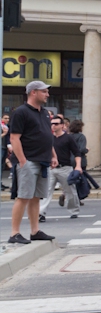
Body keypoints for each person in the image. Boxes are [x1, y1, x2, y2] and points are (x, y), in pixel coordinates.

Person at [7, 81, 57, 244]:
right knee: (23, 196)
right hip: (28, 160)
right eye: (44, 91)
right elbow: (14, 138)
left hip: (42, 160)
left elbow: (47, 135)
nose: (47, 95)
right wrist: (22, 160)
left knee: (36, 197)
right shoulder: (21, 112)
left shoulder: (44, 113)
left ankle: (35, 231)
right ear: (33, 92)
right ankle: (14, 233)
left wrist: (53, 155)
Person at [42, 116, 82, 219]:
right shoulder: (48, 137)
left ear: (62, 125)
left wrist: (78, 166)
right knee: (46, 191)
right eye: (52, 124)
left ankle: (74, 211)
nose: (53, 126)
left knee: (70, 191)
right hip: (50, 168)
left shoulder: (68, 138)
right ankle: (40, 213)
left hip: (65, 168)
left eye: (56, 124)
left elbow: (77, 153)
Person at [70, 120, 99, 190]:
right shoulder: (81, 137)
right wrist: (87, 150)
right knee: (82, 177)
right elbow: (82, 149)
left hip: (70, 159)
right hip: (80, 160)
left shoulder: (69, 136)